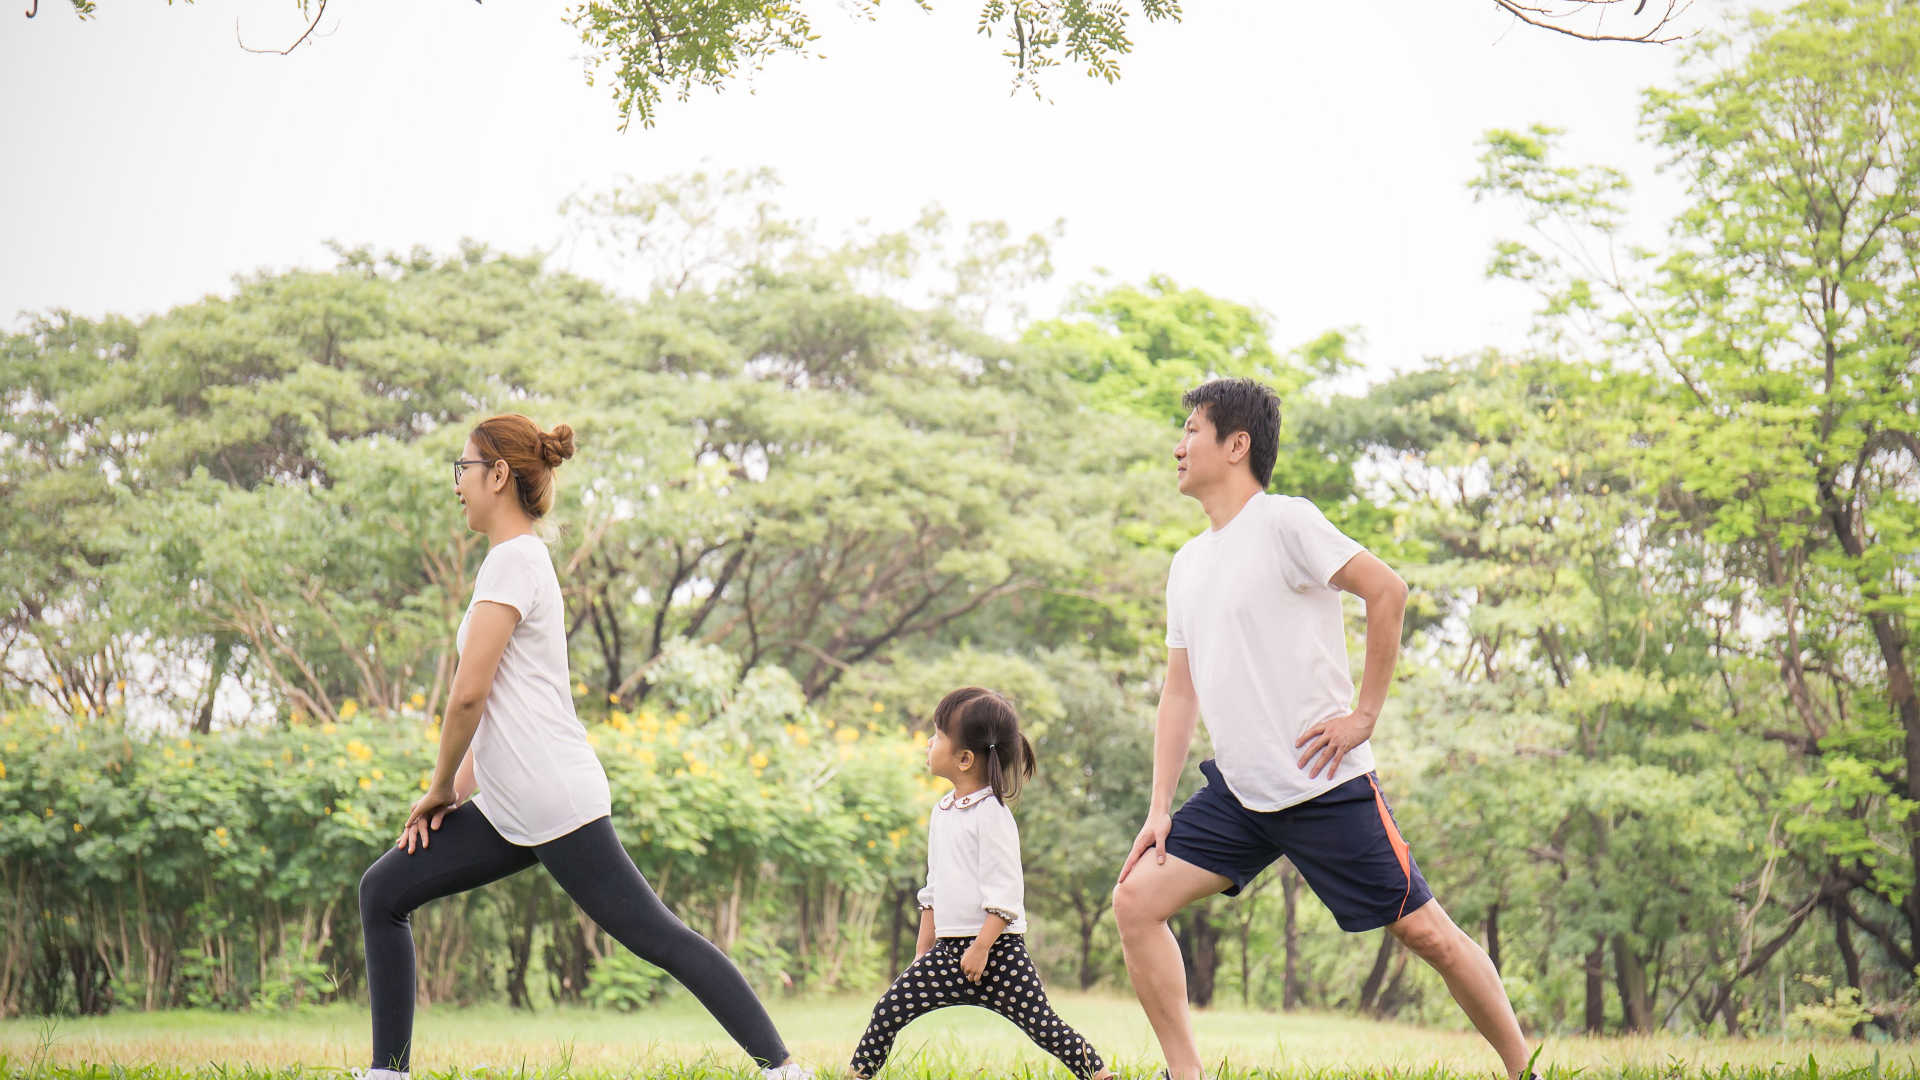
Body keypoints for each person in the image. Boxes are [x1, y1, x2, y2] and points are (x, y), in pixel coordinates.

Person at [355, 413, 810, 1080]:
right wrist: (453, 795)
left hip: (552, 797)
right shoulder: (517, 560)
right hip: (519, 802)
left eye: (465, 469)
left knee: (659, 937)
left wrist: (437, 785)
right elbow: (508, 708)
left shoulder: (512, 561)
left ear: (499, 475)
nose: (458, 485)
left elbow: (468, 696)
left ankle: (784, 1070)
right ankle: (386, 1073)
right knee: (384, 891)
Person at [1111, 379, 1533, 1080]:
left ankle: (1527, 1070)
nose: (1177, 446)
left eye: (1191, 430)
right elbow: (1179, 691)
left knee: (1427, 933)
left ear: (1236, 444)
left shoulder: (1286, 522)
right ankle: (1186, 1075)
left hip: (1323, 785)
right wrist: (1159, 808)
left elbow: (1386, 589)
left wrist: (1364, 715)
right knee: (1135, 901)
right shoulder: (1187, 565)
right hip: (1241, 796)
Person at [848, 687, 1112, 1080]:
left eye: (938, 736)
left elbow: (1006, 892)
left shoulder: (992, 815)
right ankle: (858, 1073)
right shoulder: (943, 811)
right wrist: (925, 943)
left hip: (999, 952)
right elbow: (933, 885)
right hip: (947, 950)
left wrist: (982, 947)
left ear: (965, 758)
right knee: (889, 1009)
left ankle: (1099, 1074)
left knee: (1043, 1026)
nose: (928, 742)